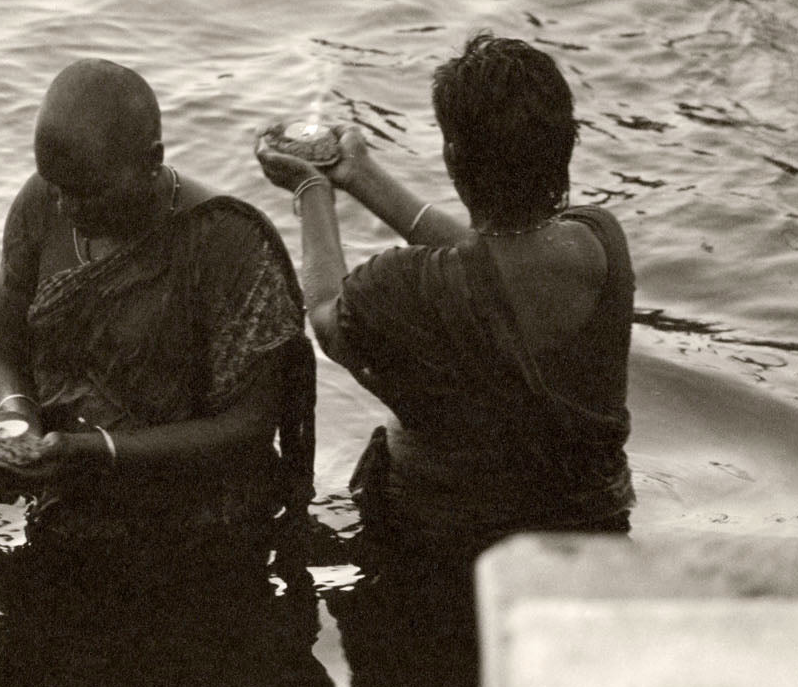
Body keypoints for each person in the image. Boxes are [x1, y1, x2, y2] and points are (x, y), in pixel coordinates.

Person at [255, 31, 636, 562]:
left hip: (439, 547)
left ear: (454, 159)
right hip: (588, 534)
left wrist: (311, 191)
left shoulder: (398, 287)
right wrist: (361, 176)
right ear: (567, 143)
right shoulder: (598, 242)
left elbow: (325, 317)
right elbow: (495, 265)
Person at [0, 57, 316, 543]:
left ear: (152, 159)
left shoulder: (227, 241)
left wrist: (96, 450)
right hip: (67, 503)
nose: (65, 207)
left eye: (88, 192)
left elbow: (251, 423)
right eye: (56, 188)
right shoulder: (42, 201)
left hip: (205, 525)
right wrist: (16, 423)